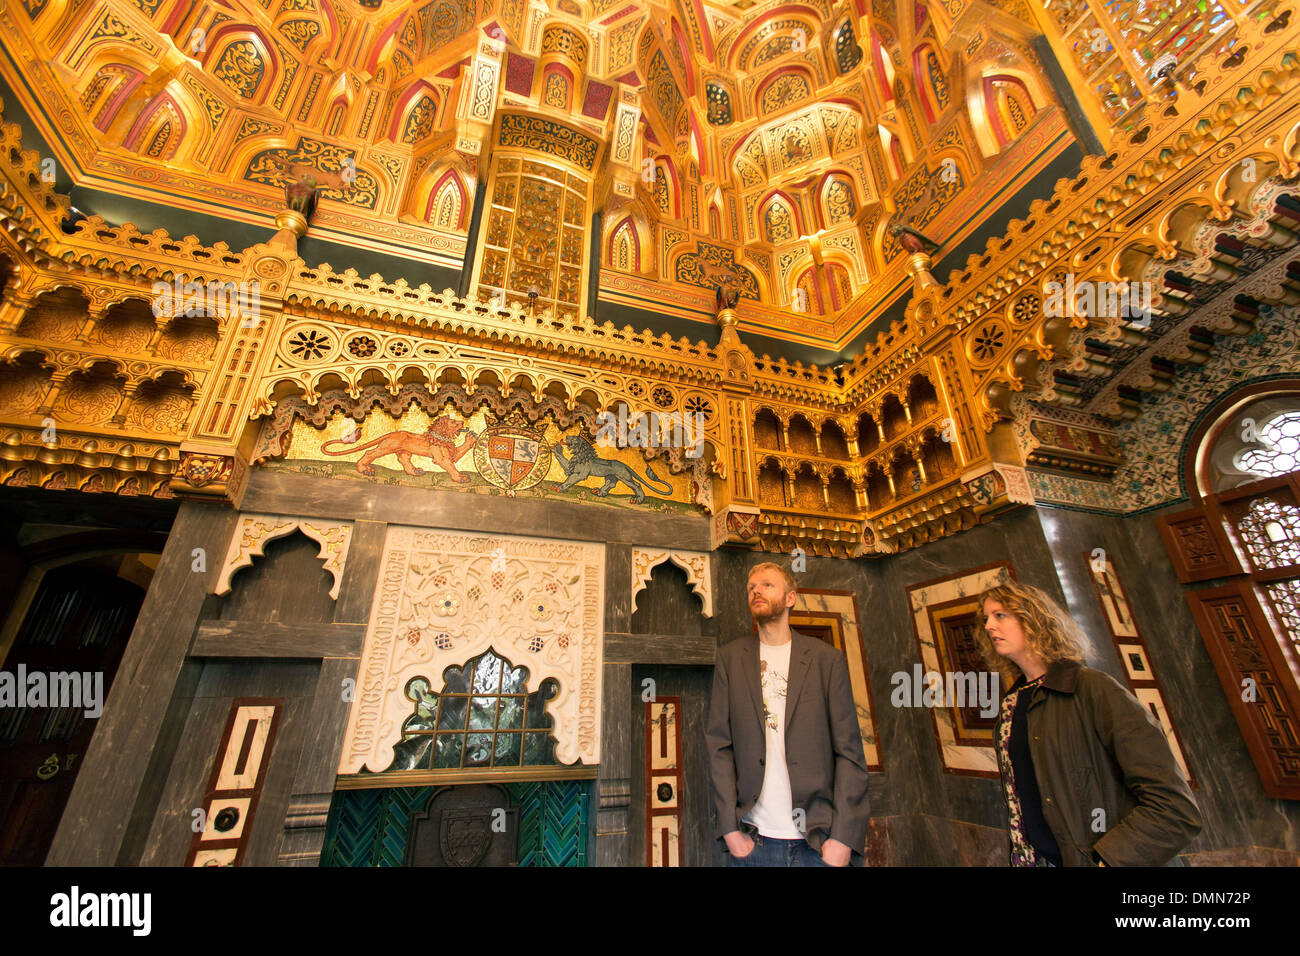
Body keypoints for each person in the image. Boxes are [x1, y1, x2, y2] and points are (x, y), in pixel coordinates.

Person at [975, 579, 1201, 866]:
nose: (989, 626)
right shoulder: (1012, 704)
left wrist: (1105, 861)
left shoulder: (1092, 689)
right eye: (986, 619)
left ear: (1034, 617)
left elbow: (1174, 807)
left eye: (1000, 615)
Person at [706, 562, 870, 866]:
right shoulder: (731, 659)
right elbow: (719, 746)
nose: (756, 590)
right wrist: (729, 829)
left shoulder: (826, 661)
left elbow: (849, 753)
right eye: (751, 586)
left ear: (791, 597)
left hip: (819, 843)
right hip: (754, 842)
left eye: (767, 584)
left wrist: (844, 837)